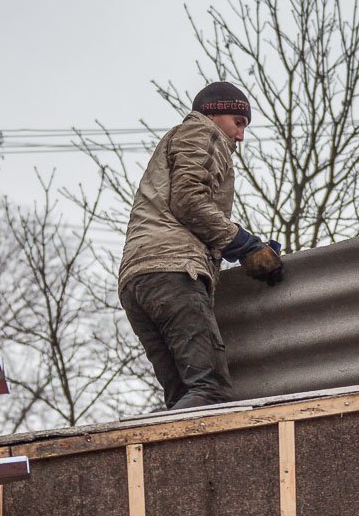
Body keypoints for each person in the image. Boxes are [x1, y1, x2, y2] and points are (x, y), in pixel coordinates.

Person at [117, 81, 284, 410]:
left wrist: (240, 250)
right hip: (173, 272)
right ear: (215, 112)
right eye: (239, 123)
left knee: (183, 399)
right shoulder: (203, 132)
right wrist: (245, 245)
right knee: (210, 390)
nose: (240, 136)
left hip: (138, 282)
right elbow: (189, 201)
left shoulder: (177, 141)